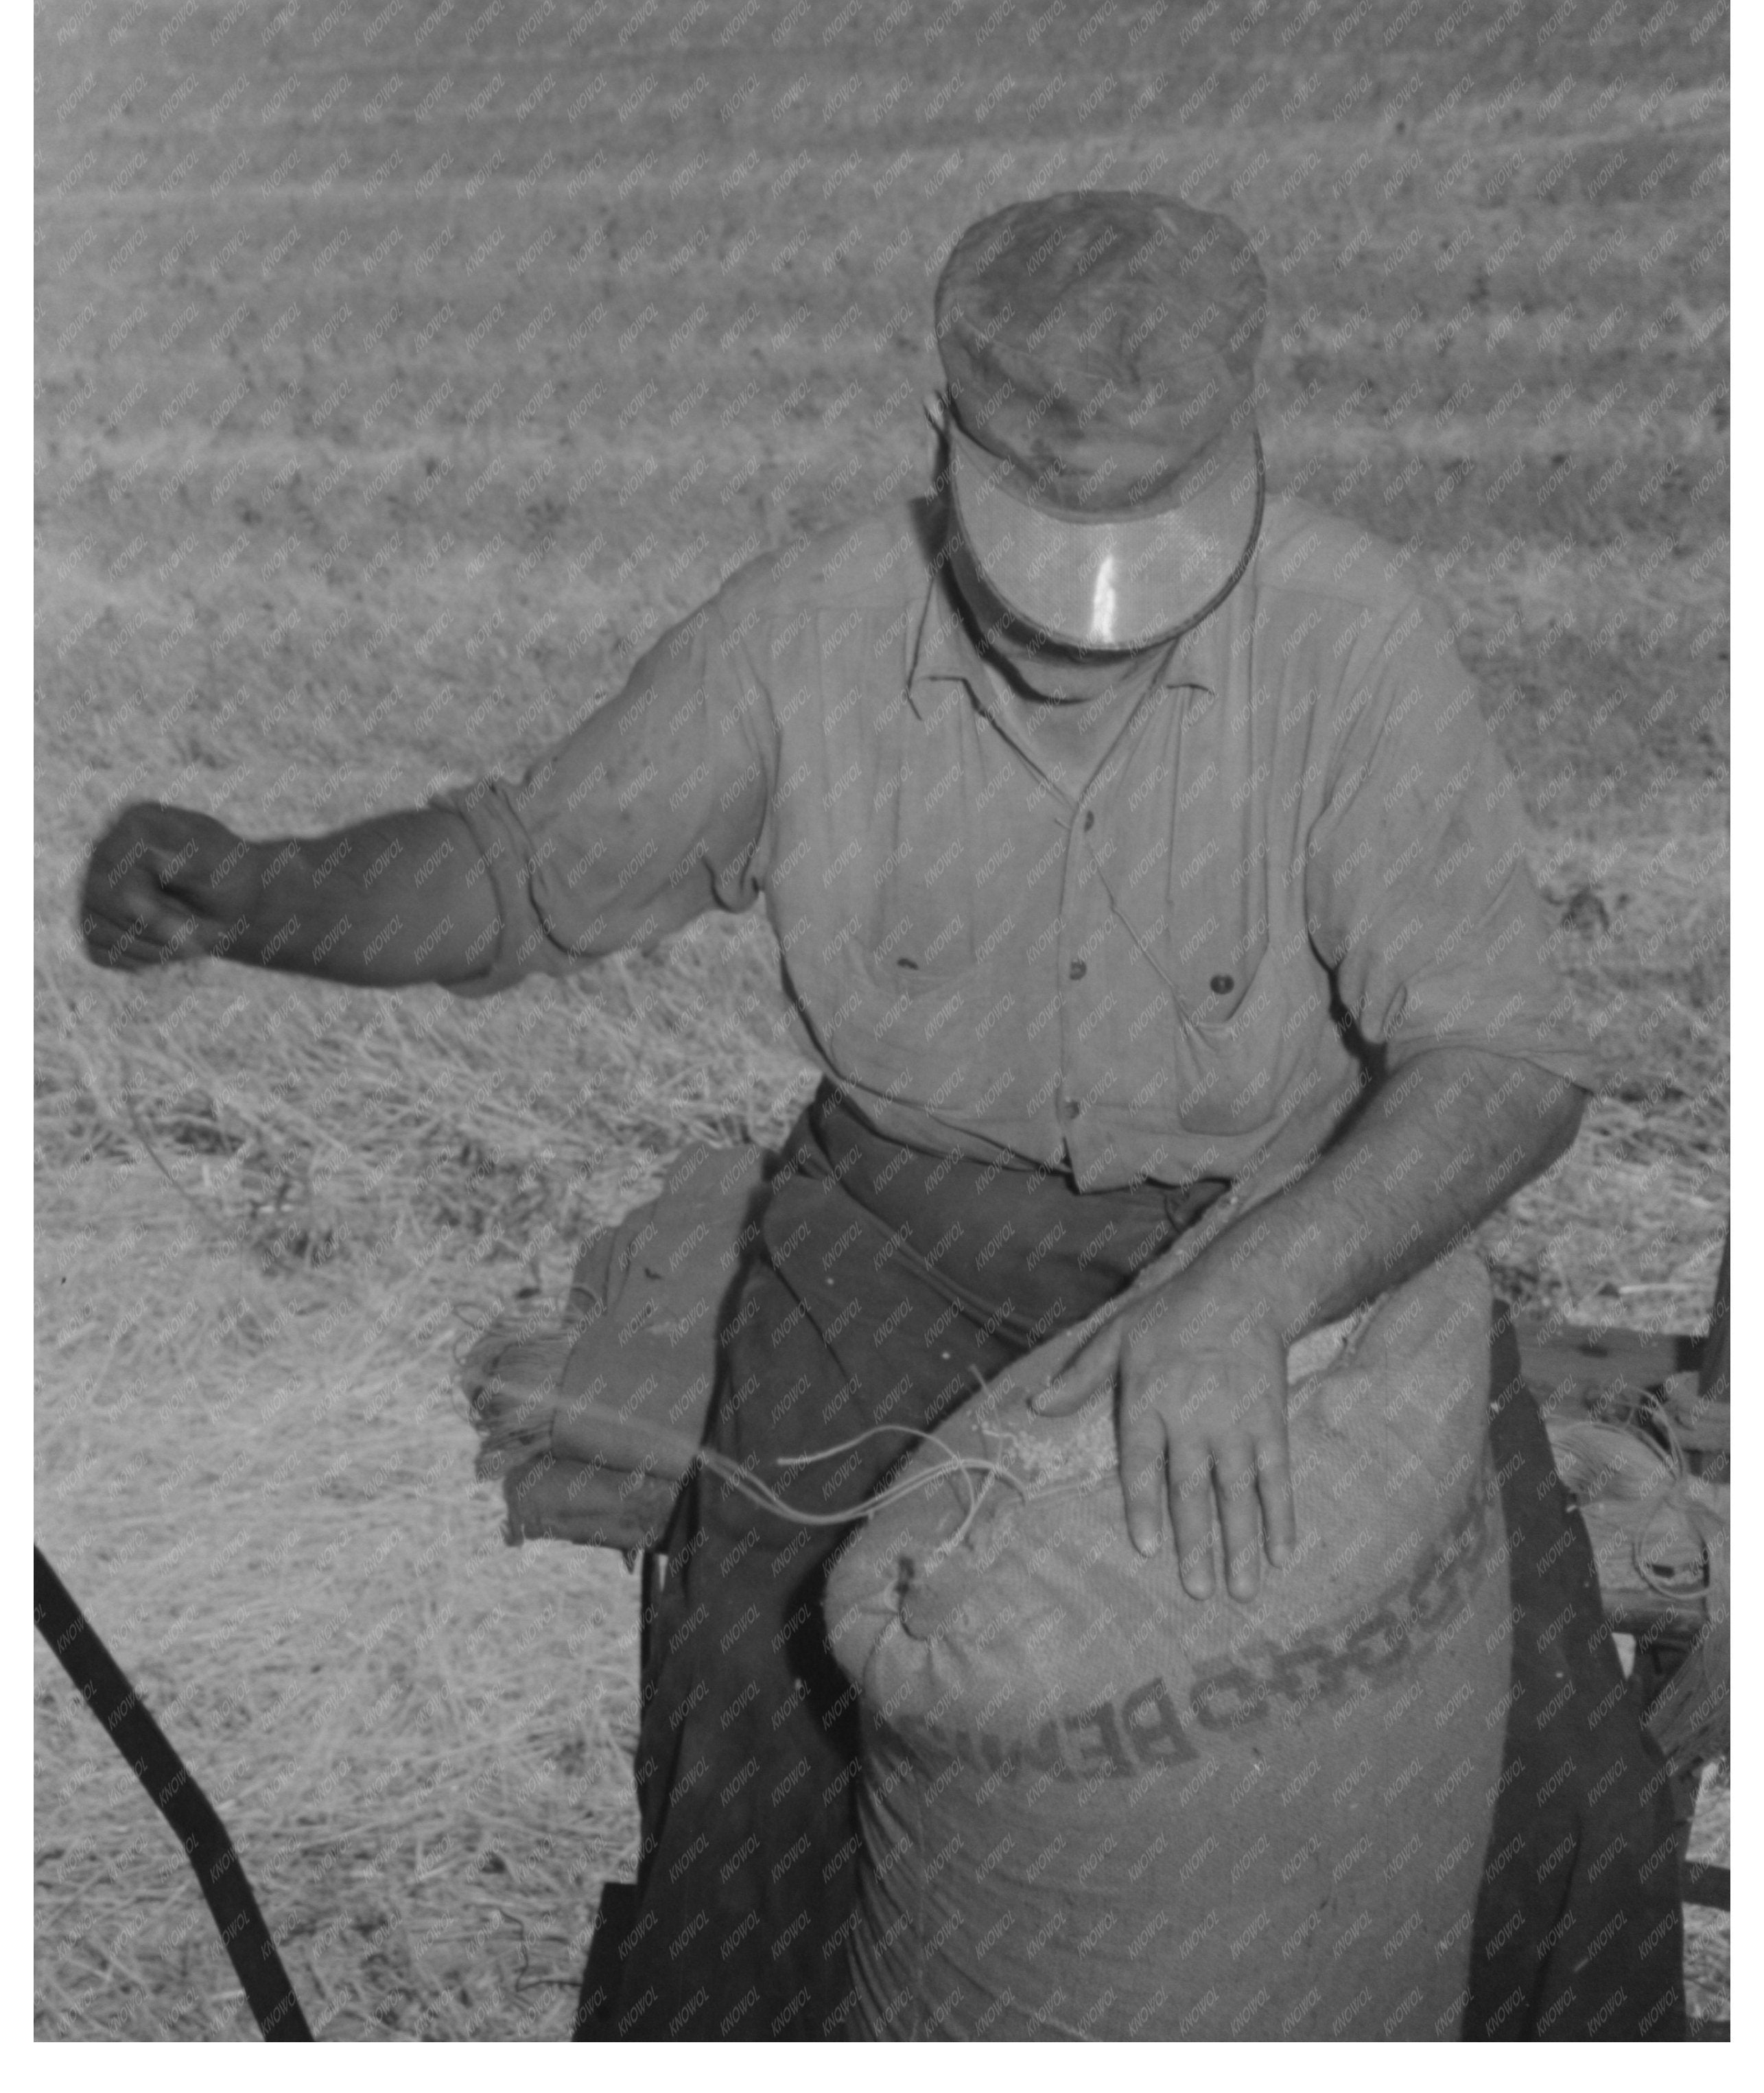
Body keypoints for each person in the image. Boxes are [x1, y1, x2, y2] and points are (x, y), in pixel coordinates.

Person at [81, 190, 1684, 2042]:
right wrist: (255, 899)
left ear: (1235, 460)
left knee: (1557, 1790)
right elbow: (519, 874)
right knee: (758, 1804)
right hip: (896, 1259)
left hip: (1287, 1235)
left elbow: (1502, 1060)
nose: (1087, 625)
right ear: (945, 441)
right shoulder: (805, 630)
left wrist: (1252, 1296)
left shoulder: (1351, 634)